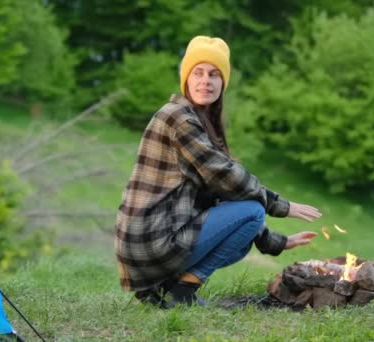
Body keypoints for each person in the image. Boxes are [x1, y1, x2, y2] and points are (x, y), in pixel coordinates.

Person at [114, 35, 321, 308]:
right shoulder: (177, 116)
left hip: (155, 242)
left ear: (223, 82)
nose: (205, 81)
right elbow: (224, 175)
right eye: (197, 73)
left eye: (214, 74)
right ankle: (182, 289)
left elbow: (223, 196)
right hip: (152, 242)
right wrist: (280, 205)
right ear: (186, 78)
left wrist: (277, 242)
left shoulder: (200, 121)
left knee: (244, 234)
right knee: (254, 211)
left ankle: (167, 289)